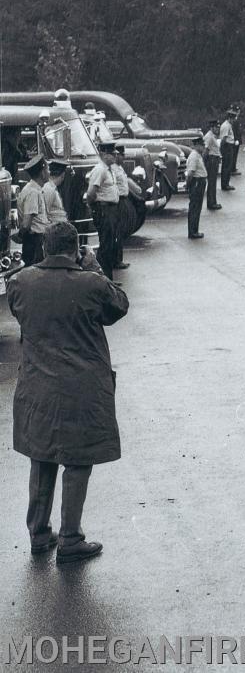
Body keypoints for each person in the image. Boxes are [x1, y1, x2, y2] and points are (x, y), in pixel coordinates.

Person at [7, 221, 129, 564]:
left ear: (45, 248)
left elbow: (21, 313)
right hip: (80, 389)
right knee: (77, 461)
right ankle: (71, 538)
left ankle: (39, 533)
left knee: (42, 457)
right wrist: (94, 267)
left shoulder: (20, 282)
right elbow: (119, 305)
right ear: (75, 249)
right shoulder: (90, 283)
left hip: (37, 387)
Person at [85, 142, 121, 280]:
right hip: (104, 209)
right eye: (112, 154)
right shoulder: (100, 170)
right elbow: (91, 192)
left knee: (110, 244)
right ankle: (104, 278)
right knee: (106, 245)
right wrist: (94, 207)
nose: (115, 156)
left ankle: (108, 277)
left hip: (111, 209)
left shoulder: (108, 170)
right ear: (105, 154)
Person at [16, 156, 50, 265]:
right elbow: (26, 224)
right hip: (35, 242)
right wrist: (20, 236)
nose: (50, 172)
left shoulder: (32, 189)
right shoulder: (33, 192)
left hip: (34, 240)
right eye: (48, 169)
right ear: (42, 173)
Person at [184, 136, 207, 239]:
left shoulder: (197, 155)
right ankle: (192, 232)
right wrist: (188, 184)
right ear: (197, 145)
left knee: (197, 207)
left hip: (199, 182)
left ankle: (194, 230)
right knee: (194, 208)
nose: (203, 147)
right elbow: (191, 173)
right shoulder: (194, 156)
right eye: (202, 145)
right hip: (197, 182)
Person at [203, 119, 223, 210]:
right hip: (211, 160)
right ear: (212, 127)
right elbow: (206, 150)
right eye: (216, 127)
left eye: (218, 127)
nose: (217, 129)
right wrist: (203, 162)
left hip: (214, 159)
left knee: (213, 182)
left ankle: (213, 202)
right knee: (211, 182)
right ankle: (211, 203)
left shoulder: (212, 136)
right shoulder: (209, 136)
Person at [42, 159, 69, 224]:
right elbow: (45, 213)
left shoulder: (52, 187)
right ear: (63, 175)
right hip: (55, 227)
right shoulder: (49, 188)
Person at [219, 109, 238, 191]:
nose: (234, 121)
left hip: (229, 146)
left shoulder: (228, 125)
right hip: (227, 146)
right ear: (230, 118)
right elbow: (224, 138)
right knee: (226, 166)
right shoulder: (226, 126)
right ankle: (225, 184)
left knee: (227, 166)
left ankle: (226, 183)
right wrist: (222, 149)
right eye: (233, 119)